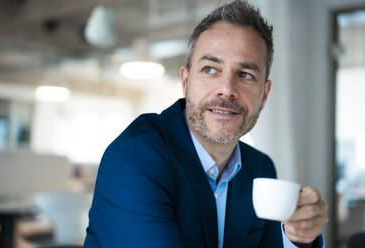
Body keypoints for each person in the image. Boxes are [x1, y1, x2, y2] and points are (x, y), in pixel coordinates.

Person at [84, 1, 328, 247]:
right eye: (210, 69)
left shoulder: (260, 168)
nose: (226, 89)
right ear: (186, 81)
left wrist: (297, 238)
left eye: (245, 75)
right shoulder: (134, 159)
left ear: (264, 95)